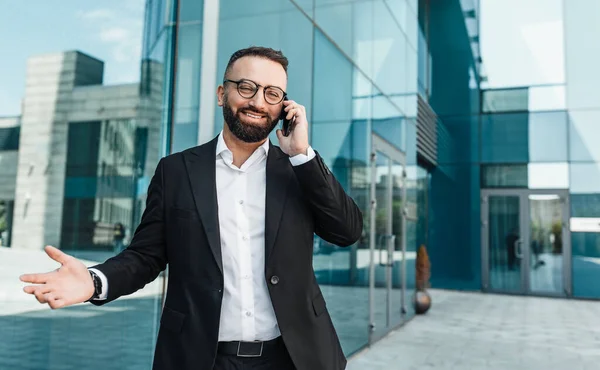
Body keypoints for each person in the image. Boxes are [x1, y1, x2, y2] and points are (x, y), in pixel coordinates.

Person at [20, 46, 363, 370]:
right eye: (247, 87)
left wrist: (302, 155)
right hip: (201, 357)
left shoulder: (298, 170)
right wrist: (96, 281)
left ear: (284, 106)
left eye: (272, 93)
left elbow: (346, 231)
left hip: (294, 357)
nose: (258, 102)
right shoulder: (176, 172)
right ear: (220, 94)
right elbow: (146, 256)